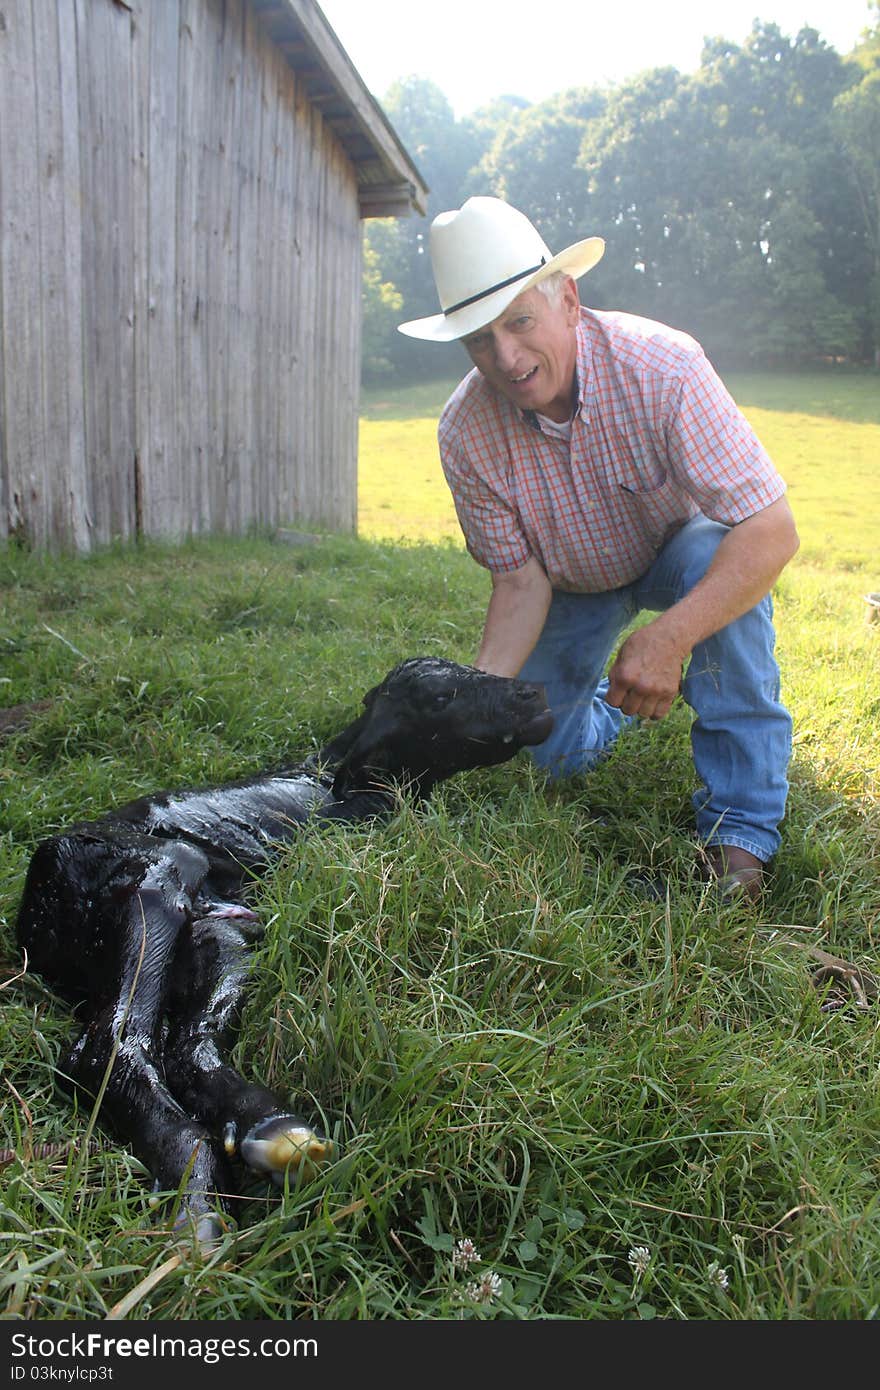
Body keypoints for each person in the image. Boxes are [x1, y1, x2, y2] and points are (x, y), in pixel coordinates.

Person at [398, 196, 800, 902]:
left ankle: (740, 842)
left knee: (718, 563)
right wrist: (475, 698)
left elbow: (772, 530)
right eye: (480, 340)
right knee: (547, 754)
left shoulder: (663, 366)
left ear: (569, 300)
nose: (507, 358)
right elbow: (519, 583)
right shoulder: (464, 431)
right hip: (573, 582)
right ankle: (615, 708)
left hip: (680, 549)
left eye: (519, 322)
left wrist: (670, 637)